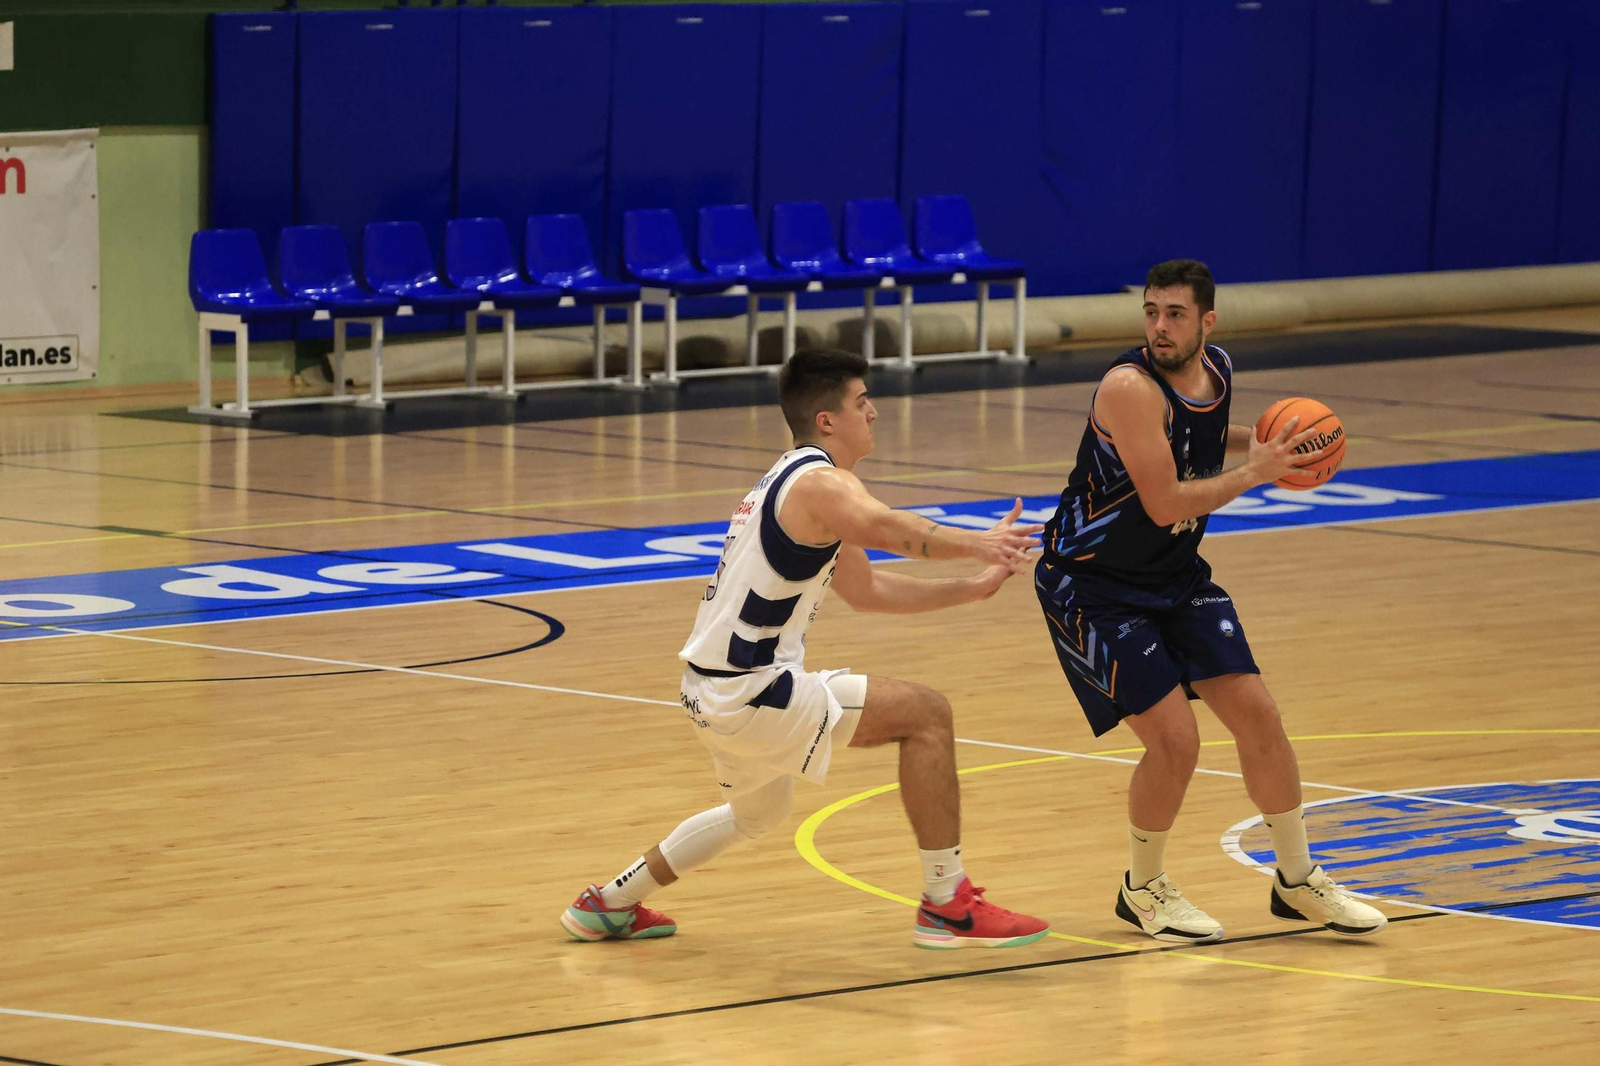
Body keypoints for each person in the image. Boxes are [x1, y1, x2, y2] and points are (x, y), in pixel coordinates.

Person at [563, 348, 1051, 950]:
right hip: (752, 692)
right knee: (928, 714)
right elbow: (892, 531)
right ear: (827, 420)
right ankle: (947, 902)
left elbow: (866, 589)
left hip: (713, 690)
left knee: (756, 816)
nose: (873, 412)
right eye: (861, 401)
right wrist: (981, 545)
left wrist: (971, 591)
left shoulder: (797, 480)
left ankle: (607, 903)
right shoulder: (821, 483)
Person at [1033, 259, 1387, 942]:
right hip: (1093, 587)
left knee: (1261, 718)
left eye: (1175, 314)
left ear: (1207, 322)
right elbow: (1165, 502)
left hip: (1174, 575)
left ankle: (1297, 881)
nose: (1160, 327)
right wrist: (1255, 475)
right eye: (1151, 312)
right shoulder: (1129, 387)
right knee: (1176, 742)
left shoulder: (1216, 370)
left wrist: (1279, 449)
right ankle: (1142, 890)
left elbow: (1199, 437)